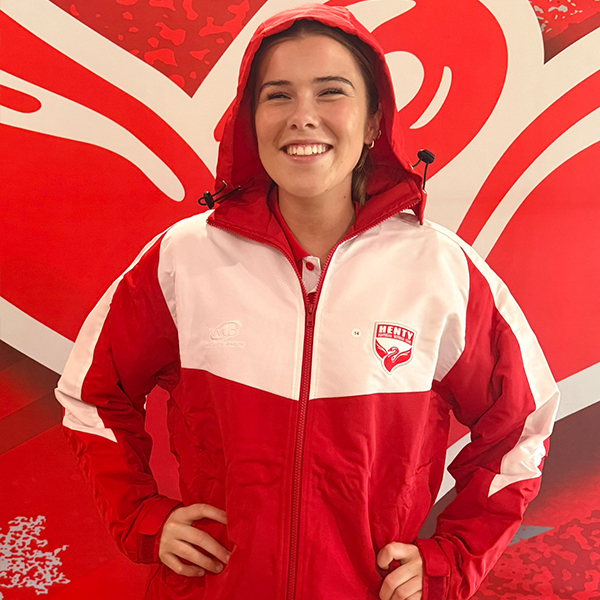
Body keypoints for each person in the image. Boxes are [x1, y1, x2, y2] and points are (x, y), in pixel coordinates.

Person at [55, 5, 559, 600]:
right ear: (249, 119)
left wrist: (452, 559)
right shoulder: (182, 261)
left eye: (331, 92)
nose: (303, 116)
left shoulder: (440, 272)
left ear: (373, 122)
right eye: (277, 96)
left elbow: (520, 425)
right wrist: (142, 516)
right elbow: (92, 394)